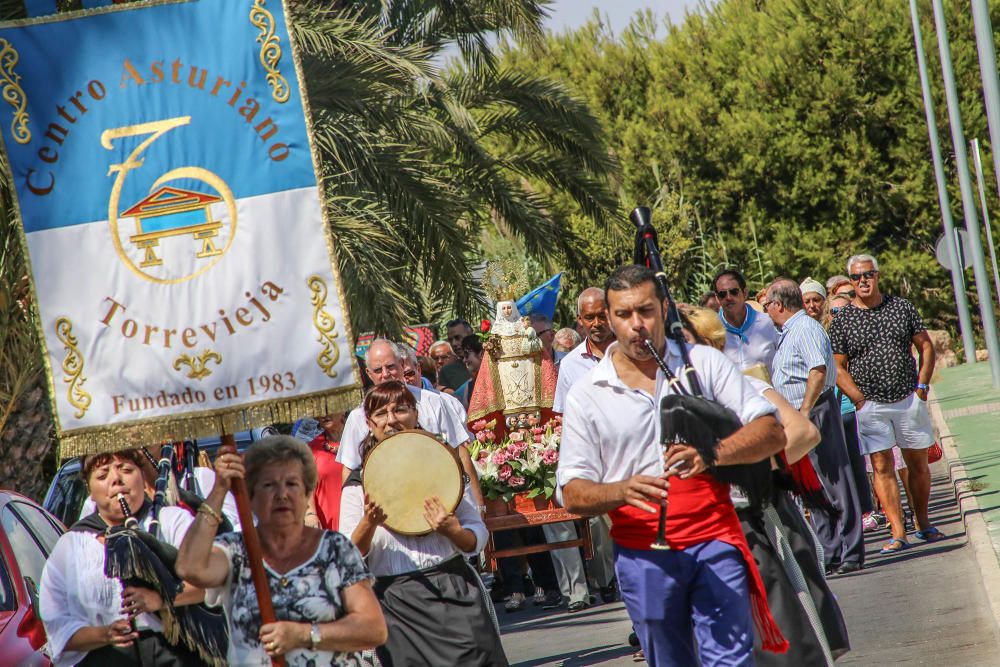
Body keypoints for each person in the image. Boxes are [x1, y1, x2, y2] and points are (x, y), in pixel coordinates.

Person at [558, 264, 789, 666]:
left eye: (645, 311)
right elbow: (572, 491)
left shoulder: (702, 364)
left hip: (715, 539)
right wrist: (621, 491)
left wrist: (712, 454)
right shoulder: (586, 392)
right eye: (624, 315)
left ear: (664, 309)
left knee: (730, 660)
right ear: (609, 319)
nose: (636, 325)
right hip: (643, 553)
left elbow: (771, 431)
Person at [680, 304, 850, 666]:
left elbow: (803, 432)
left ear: (709, 345)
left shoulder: (746, 385)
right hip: (700, 531)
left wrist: (746, 464)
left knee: (787, 635)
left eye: (684, 342)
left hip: (758, 519)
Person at [176, 436, 387, 666]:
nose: (281, 494)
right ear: (251, 498)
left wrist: (304, 635)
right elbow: (190, 567)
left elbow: (373, 628)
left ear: (307, 494)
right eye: (269, 485)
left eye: (291, 484)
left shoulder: (335, 548)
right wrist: (219, 490)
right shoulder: (236, 551)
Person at [339, 382, 508, 666]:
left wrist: (452, 530)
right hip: (395, 605)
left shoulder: (442, 463)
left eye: (400, 409)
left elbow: (475, 535)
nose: (391, 419)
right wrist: (369, 522)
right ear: (369, 423)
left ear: (415, 413)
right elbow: (347, 555)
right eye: (381, 413)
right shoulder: (359, 483)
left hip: (454, 593)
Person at [40, 449, 209, 666]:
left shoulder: (172, 521)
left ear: (141, 475)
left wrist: (160, 599)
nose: (116, 480)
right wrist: (106, 634)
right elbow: (58, 627)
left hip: (175, 654)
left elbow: (210, 583)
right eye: (102, 476)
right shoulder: (71, 545)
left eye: (126, 470)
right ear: (90, 490)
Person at [828, 254, 941, 554]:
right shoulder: (844, 321)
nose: (862, 281)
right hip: (870, 406)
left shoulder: (901, 308)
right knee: (881, 466)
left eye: (867, 275)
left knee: (918, 464)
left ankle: (923, 522)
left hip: (908, 399)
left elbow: (925, 346)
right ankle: (897, 531)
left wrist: (922, 388)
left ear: (877, 276)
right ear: (850, 282)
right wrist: (859, 399)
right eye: (856, 277)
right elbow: (837, 367)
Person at [764, 279, 865, 574]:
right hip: (798, 413)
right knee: (812, 485)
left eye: (768, 304)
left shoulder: (805, 328)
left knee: (835, 480)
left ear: (779, 305)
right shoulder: (789, 331)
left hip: (814, 409)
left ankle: (850, 550)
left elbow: (817, 370)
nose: (767, 310)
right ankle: (831, 551)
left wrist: (805, 411)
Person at [336, 340, 483, 512]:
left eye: (390, 366)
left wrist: (478, 507)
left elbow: (461, 454)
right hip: (389, 513)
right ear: (368, 373)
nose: (385, 374)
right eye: (378, 370)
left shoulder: (434, 403)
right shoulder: (357, 417)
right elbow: (349, 470)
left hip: (442, 505)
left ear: (401, 365)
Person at [547, 287, 619, 611]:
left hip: (632, 450)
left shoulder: (631, 350)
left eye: (602, 315)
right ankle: (608, 581)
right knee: (600, 523)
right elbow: (563, 416)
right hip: (596, 458)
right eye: (589, 317)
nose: (597, 322)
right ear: (580, 321)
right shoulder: (571, 365)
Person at [714, 268, 778, 377]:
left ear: (745, 293)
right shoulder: (713, 331)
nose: (728, 297)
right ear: (717, 299)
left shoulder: (769, 323)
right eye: (722, 294)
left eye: (734, 292)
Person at [306, 412, 348, 531]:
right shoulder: (311, 449)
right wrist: (310, 514)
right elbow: (306, 487)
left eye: (329, 408)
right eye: (319, 410)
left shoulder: (360, 441)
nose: (324, 414)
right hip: (327, 524)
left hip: (360, 519)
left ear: (343, 409)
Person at [457, 334, 484, 408]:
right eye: (463, 357)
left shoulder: (498, 378)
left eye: (467, 355)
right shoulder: (469, 386)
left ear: (482, 354)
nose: (464, 360)